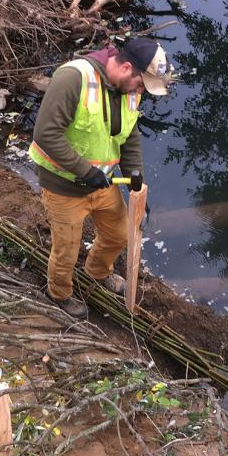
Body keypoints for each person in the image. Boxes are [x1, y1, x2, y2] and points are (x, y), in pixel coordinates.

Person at [29, 37, 173, 317]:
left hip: (101, 182)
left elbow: (129, 132)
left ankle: (96, 272)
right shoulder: (73, 79)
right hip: (64, 185)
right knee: (66, 249)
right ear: (127, 67)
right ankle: (58, 294)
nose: (141, 91)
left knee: (118, 234)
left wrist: (133, 174)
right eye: (141, 84)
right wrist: (86, 172)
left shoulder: (131, 90)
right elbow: (45, 134)